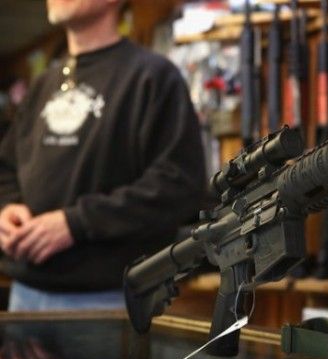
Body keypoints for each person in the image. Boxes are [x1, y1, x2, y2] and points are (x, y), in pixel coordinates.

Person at [0, 0, 206, 311]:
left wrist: (77, 223)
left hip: (106, 300)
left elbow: (178, 184)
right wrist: (7, 209)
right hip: (25, 293)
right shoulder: (43, 84)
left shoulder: (152, 76)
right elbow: (6, 168)